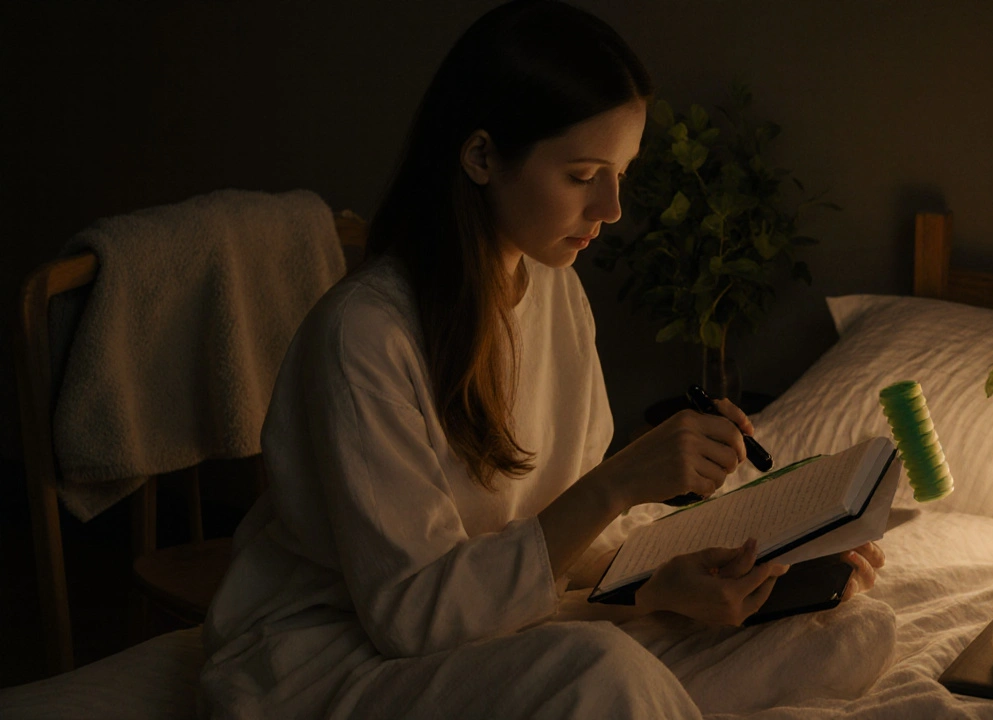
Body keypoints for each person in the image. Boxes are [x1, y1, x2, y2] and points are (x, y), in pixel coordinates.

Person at [198, 1, 885, 718]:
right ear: (483, 157)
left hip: (498, 617)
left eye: (621, 171)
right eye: (585, 174)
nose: (613, 208)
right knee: (601, 672)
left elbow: (555, 541)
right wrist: (619, 483)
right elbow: (411, 616)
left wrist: (666, 582)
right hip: (338, 655)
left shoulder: (556, 290)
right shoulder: (364, 335)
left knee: (845, 633)